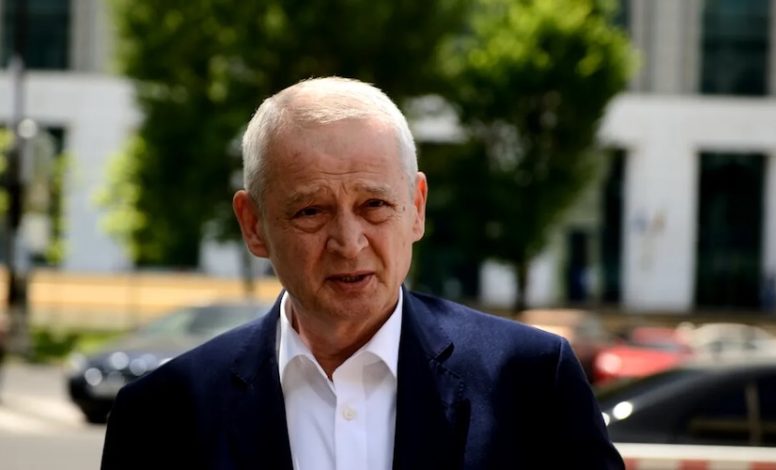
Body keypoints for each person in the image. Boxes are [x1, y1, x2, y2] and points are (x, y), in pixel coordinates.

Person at [101, 77, 624, 470]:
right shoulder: (162, 415)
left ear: (416, 208)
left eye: (374, 204)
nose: (349, 243)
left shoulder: (532, 382)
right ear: (253, 225)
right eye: (311, 211)